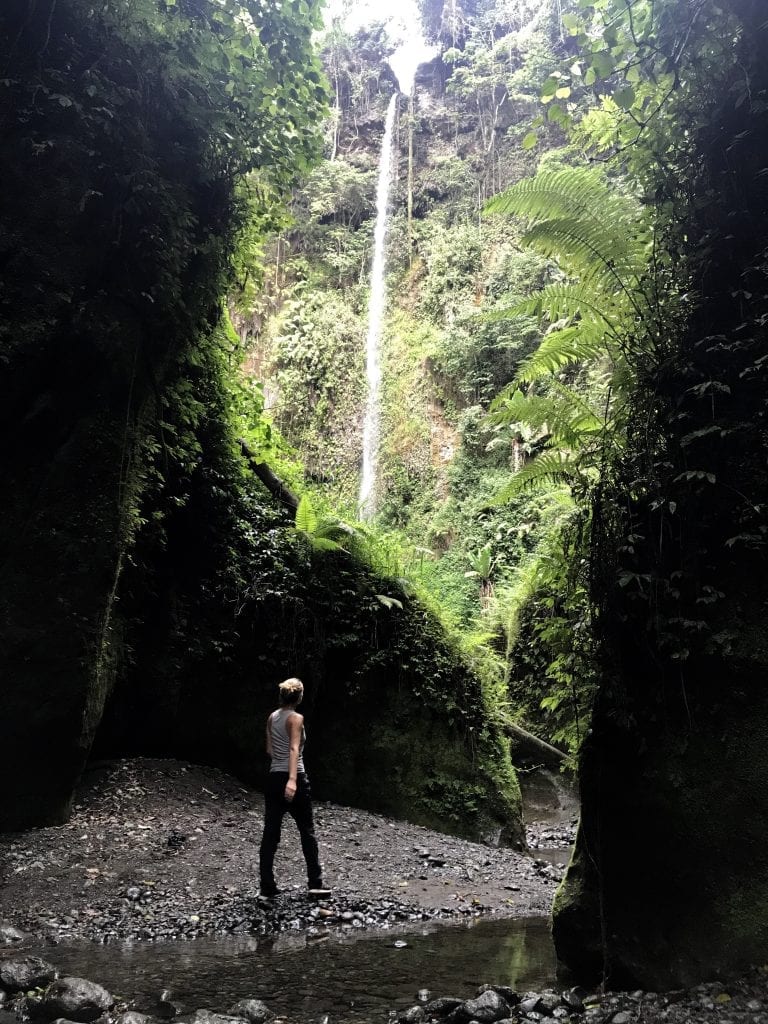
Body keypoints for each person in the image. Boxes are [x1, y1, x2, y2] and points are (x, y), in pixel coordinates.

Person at [258, 677, 326, 897]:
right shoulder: (296, 718)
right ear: (299, 697)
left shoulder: (272, 717)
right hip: (293, 777)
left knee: (270, 833)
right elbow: (294, 750)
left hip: (273, 777)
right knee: (307, 831)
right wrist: (293, 780)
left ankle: (267, 886)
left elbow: (270, 749)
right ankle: (315, 883)